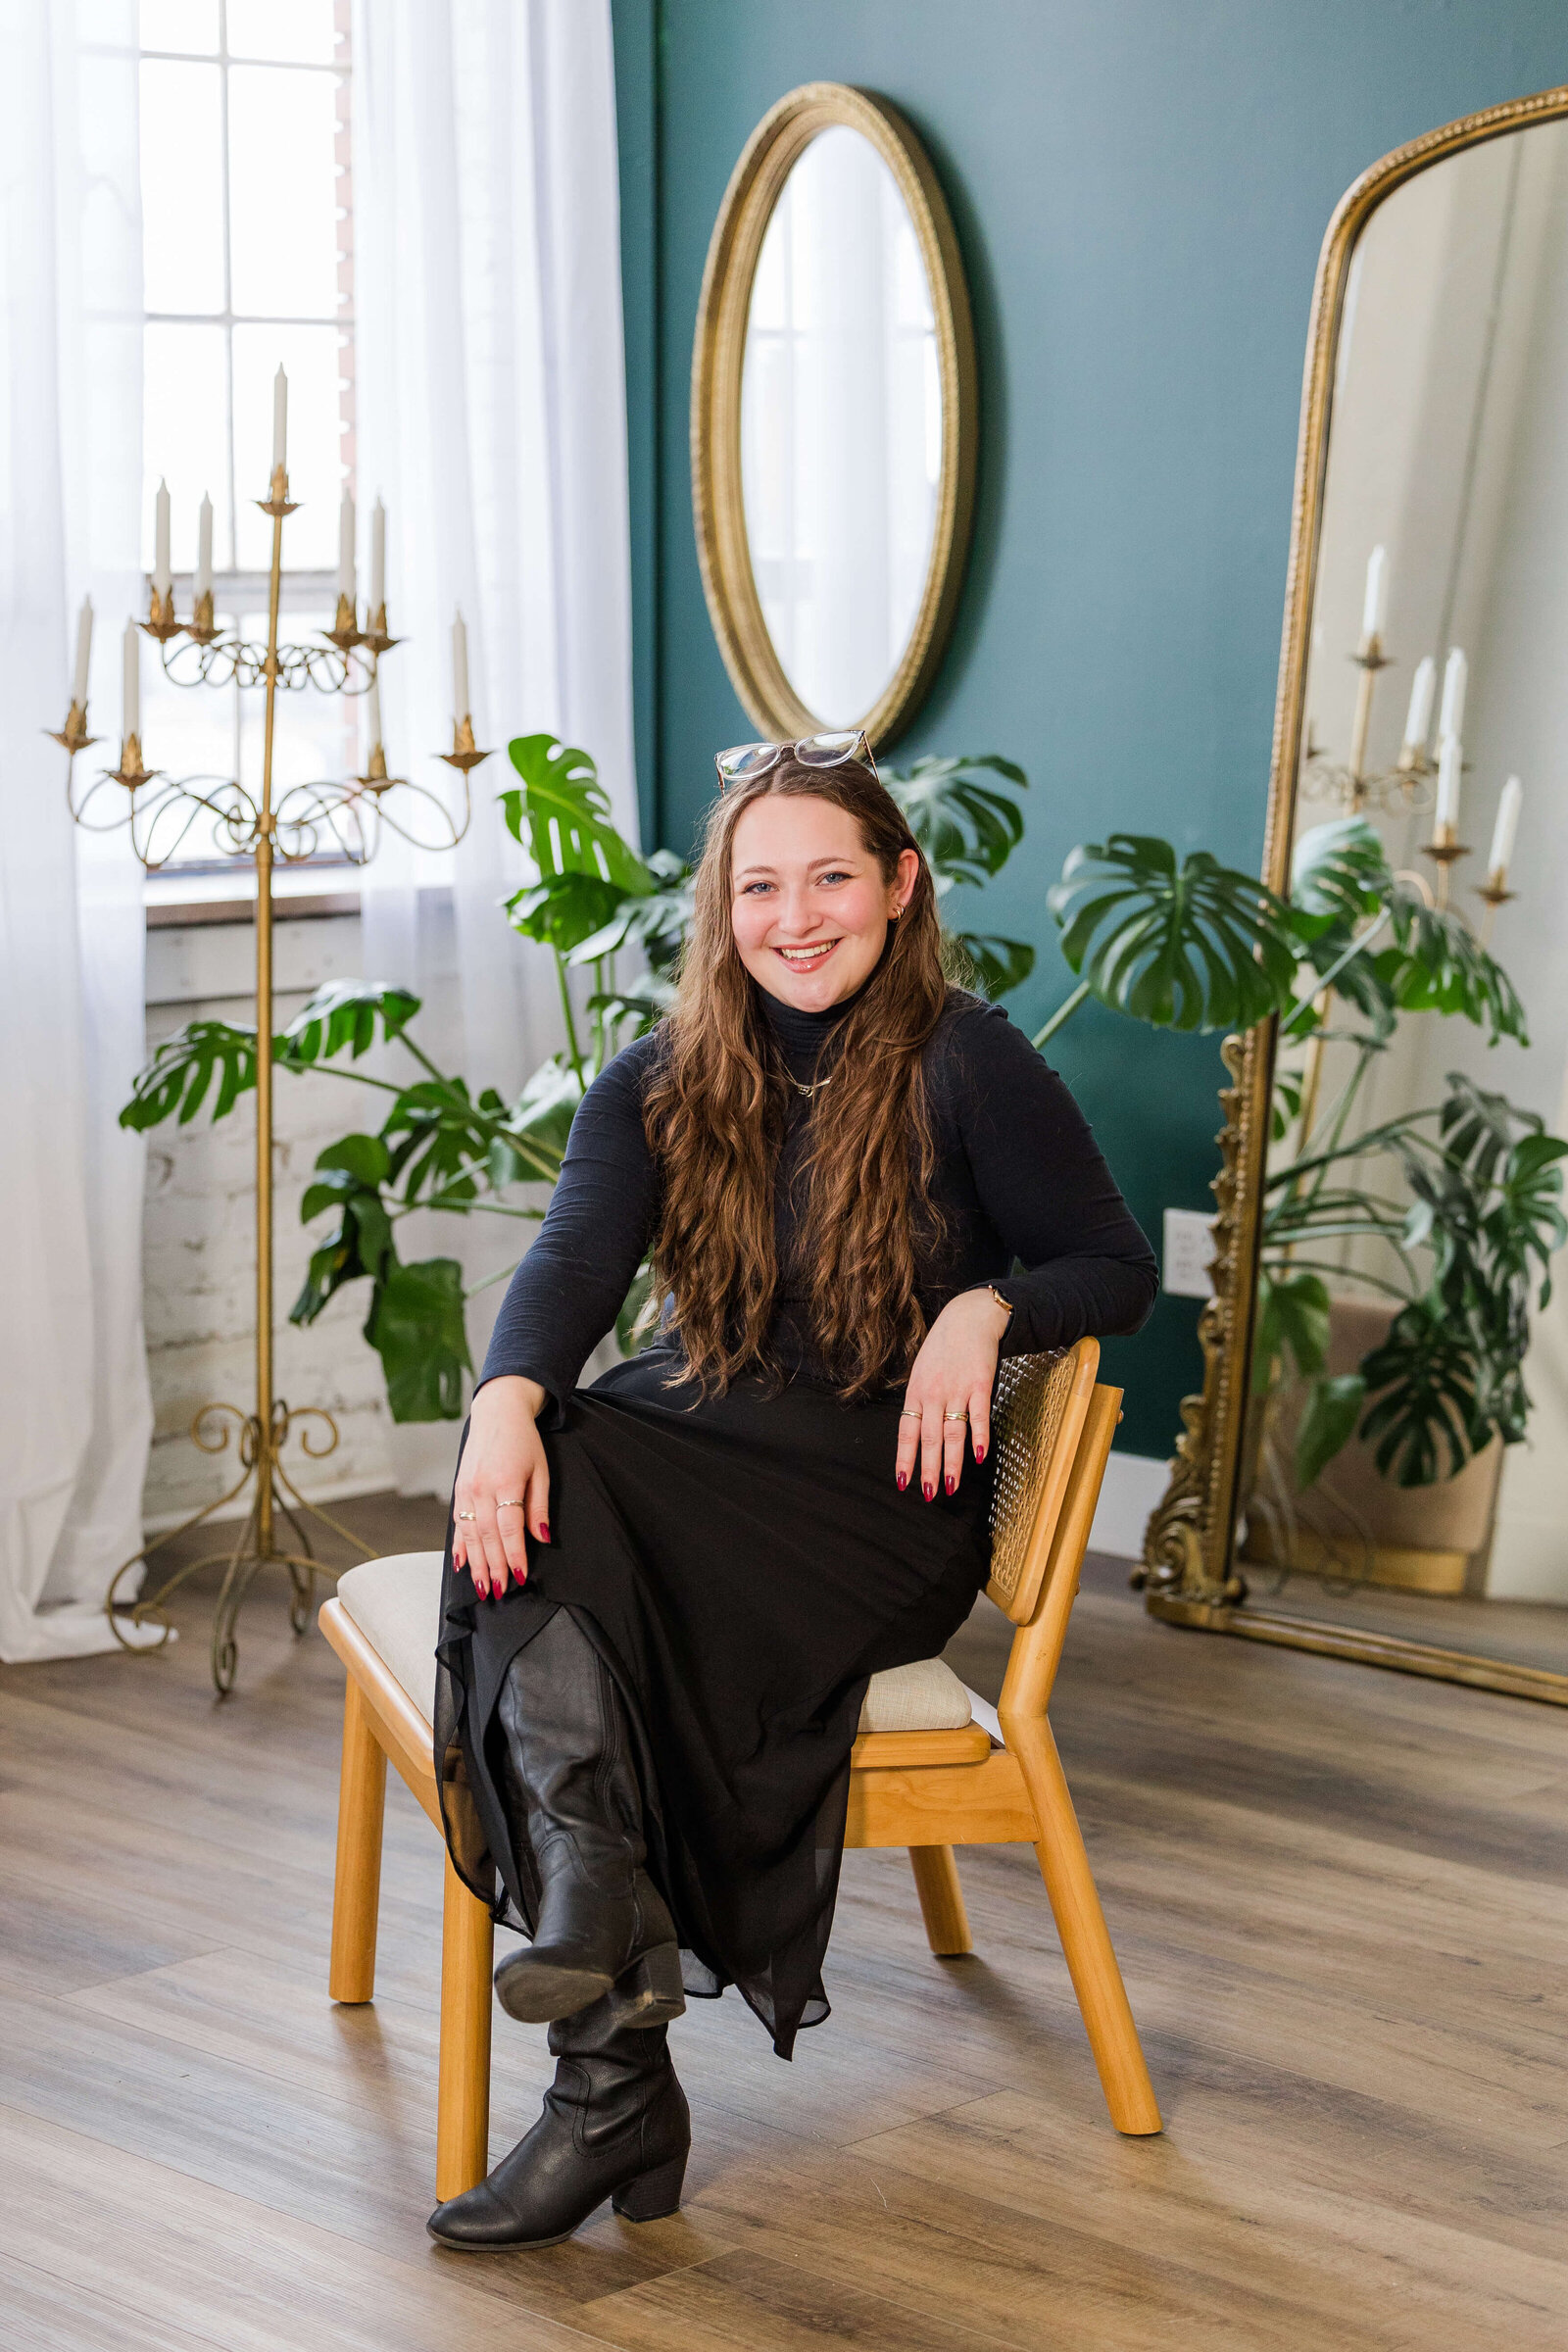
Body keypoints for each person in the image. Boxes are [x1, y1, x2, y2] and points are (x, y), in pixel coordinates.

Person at [426, 732, 1157, 2251]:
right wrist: (500, 1404)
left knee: (570, 1488)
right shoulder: (659, 1078)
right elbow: (571, 1261)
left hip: (874, 1503)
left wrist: (984, 1310)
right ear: (723, 905)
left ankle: (599, 2035)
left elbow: (1115, 1263)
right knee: (538, 1469)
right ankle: (603, 1995)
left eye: (833, 876)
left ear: (900, 884)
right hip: (708, 1457)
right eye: (762, 885)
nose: (798, 915)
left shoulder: (966, 1056)